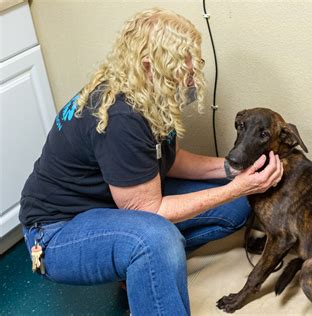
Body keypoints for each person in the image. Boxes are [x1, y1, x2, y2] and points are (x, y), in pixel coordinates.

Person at [19, 7, 283, 316]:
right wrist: (236, 187)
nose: (192, 72)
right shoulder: (121, 117)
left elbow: (167, 160)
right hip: (57, 232)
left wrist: (230, 172)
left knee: (241, 204)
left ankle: (137, 267)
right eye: (183, 62)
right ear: (149, 65)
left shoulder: (147, 96)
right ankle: (140, 259)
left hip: (111, 203)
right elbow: (149, 210)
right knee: (156, 239)